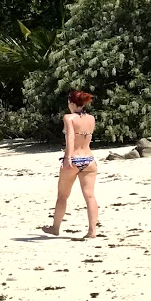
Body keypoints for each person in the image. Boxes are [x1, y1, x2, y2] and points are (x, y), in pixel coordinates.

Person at [43, 90, 99, 239]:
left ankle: (55, 228)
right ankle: (92, 231)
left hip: (74, 159)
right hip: (89, 159)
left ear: (73, 103)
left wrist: (67, 158)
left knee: (62, 196)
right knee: (90, 196)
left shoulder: (69, 118)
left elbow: (71, 138)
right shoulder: (91, 118)